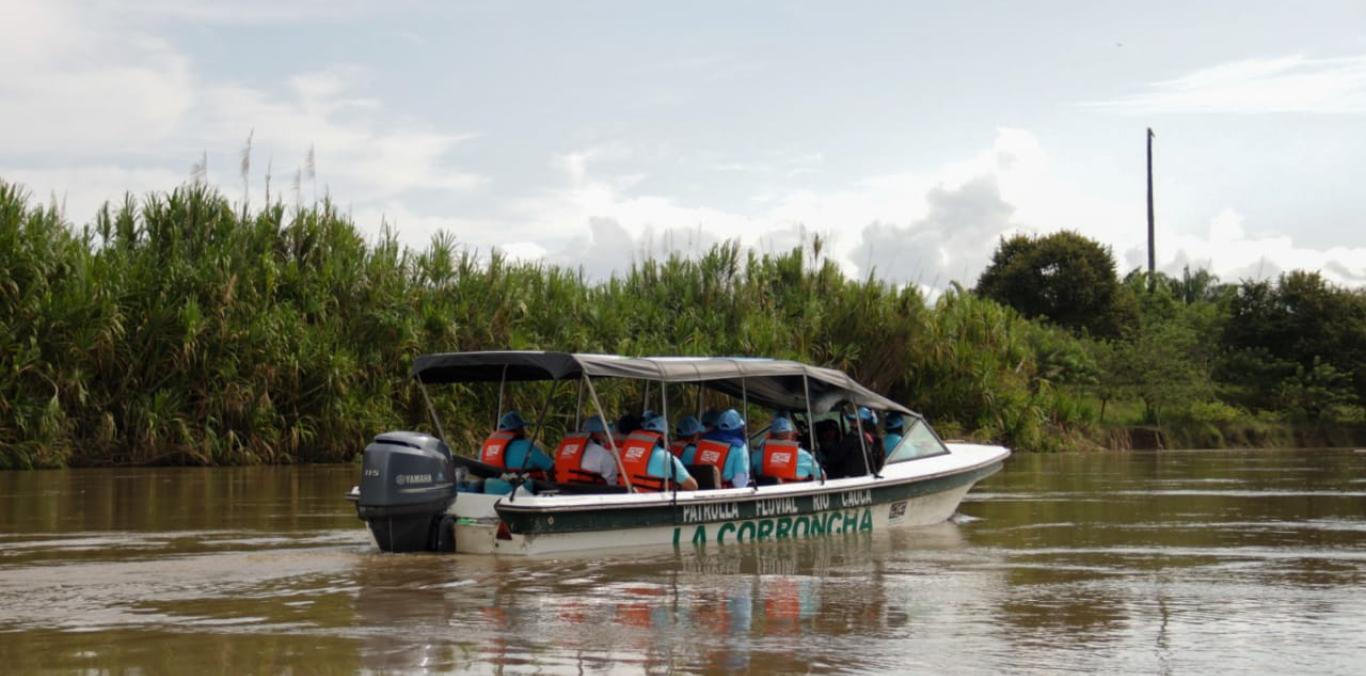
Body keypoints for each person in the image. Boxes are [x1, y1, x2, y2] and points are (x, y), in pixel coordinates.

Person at [617, 415, 697, 492]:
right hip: (654, 504)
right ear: (664, 436)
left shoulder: (624, 453)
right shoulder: (667, 458)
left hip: (626, 501)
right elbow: (693, 486)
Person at [690, 409, 751, 489]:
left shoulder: (702, 442)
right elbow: (740, 483)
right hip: (724, 494)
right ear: (739, 427)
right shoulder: (739, 447)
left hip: (699, 491)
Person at [479, 410, 554, 475]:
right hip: (522, 488)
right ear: (518, 429)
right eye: (522, 428)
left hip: (491, 488)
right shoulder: (526, 446)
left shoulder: (485, 448)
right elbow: (551, 467)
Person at [752, 416, 821, 481]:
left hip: (769, 492)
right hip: (798, 492)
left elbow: (746, 472)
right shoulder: (804, 455)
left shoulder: (758, 454)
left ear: (771, 435)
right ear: (792, 436)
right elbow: (821, 476)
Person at [828, 406, 879, 479]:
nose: (851, 423)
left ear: (862, 422)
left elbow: (833, 459)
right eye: (852, 420)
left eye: (854, 421)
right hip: (869, 475)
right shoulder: (876, 439)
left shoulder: (852, 438)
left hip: (851, 478)